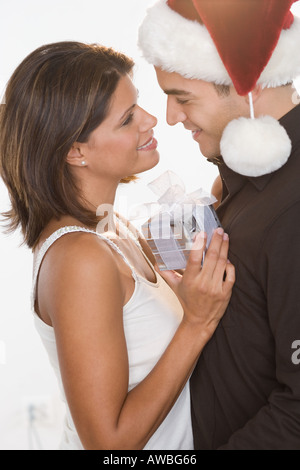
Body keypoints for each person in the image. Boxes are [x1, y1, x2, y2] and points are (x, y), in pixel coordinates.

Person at [0, 41, 235, 450]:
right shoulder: (79, 259)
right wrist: (197, 323)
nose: (151, 120)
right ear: (76, 151)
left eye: (138, 104)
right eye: (127, 120)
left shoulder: (114, 230)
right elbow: (109, 445)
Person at [138, 0, 300, 449]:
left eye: (182, 97)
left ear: (245, 86)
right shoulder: (236, 182)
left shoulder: (293, 209)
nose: (170, 116)